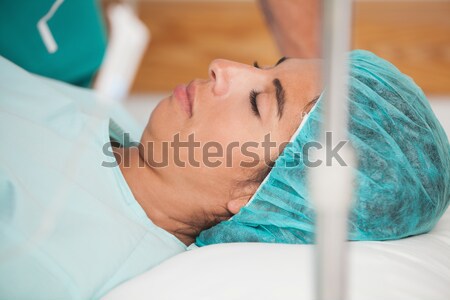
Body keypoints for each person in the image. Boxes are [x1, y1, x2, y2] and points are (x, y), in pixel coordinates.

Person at [1, 49, 449, 300]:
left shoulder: (48, 258)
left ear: (266, 198)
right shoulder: (116, 128)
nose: (222, 67)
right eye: (261, 66)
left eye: (259, 103)